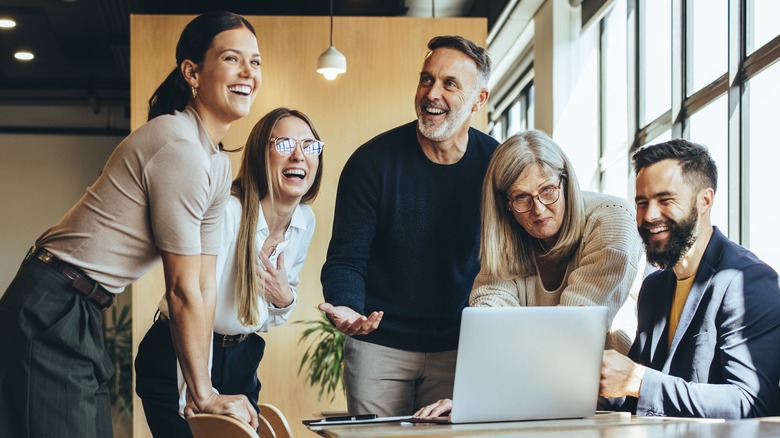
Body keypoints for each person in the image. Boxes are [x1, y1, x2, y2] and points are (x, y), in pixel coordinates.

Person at [0, 11, 262, 438]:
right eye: (233, 59)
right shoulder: (177, 145)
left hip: (82, 305)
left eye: (256, 62)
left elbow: (203, 285)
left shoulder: (215, 163)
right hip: (52, 301)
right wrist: (203, 395)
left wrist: (202, 390)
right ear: (192, 72)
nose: (248, 73)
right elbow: (179, 291)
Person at [319, 35, 498, 416]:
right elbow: (346, 260)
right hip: (379, 347)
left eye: (450, 84)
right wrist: (349, 307)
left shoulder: (497, 165)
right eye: (426, 79)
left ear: (479, 100)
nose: (432, 93)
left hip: (461, 347)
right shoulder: (371, 163)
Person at [414, 129, 644, 418]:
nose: (538, 209)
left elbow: (571, 334)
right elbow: (491, 325)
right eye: (521, 198)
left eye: (548, 190)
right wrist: (473, 398)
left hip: (608, 401)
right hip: (533, 395)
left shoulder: (612, 221)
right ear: (505, 205)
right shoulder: (508, 238)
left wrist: (486, 397)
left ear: (566, 181)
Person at [136, 108, 323, 435]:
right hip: (181, 352)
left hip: (240, 356)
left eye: (310, 146)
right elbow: (194, 306)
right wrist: (197, 391)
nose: (299, 155)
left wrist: (284, 299)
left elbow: (265, 318)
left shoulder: (304, 222)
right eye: (284, 145)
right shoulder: (229, 214)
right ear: (259, 156)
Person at [599, 139, 780, 418]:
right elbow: (634, 394)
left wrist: (638, 381)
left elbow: (750, 401)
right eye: (642, 203)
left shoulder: (747, 281)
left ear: (704, 200)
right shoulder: (654, 287)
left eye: (665, 200)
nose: (649, 215)